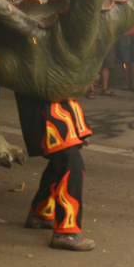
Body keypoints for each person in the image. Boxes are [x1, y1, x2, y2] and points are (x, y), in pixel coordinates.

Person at [18, 92, 95, 251]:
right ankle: (65, 233)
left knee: (60, 163)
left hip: (58, 107)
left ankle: (40, 213)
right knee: (72, 165)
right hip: (48, 112)